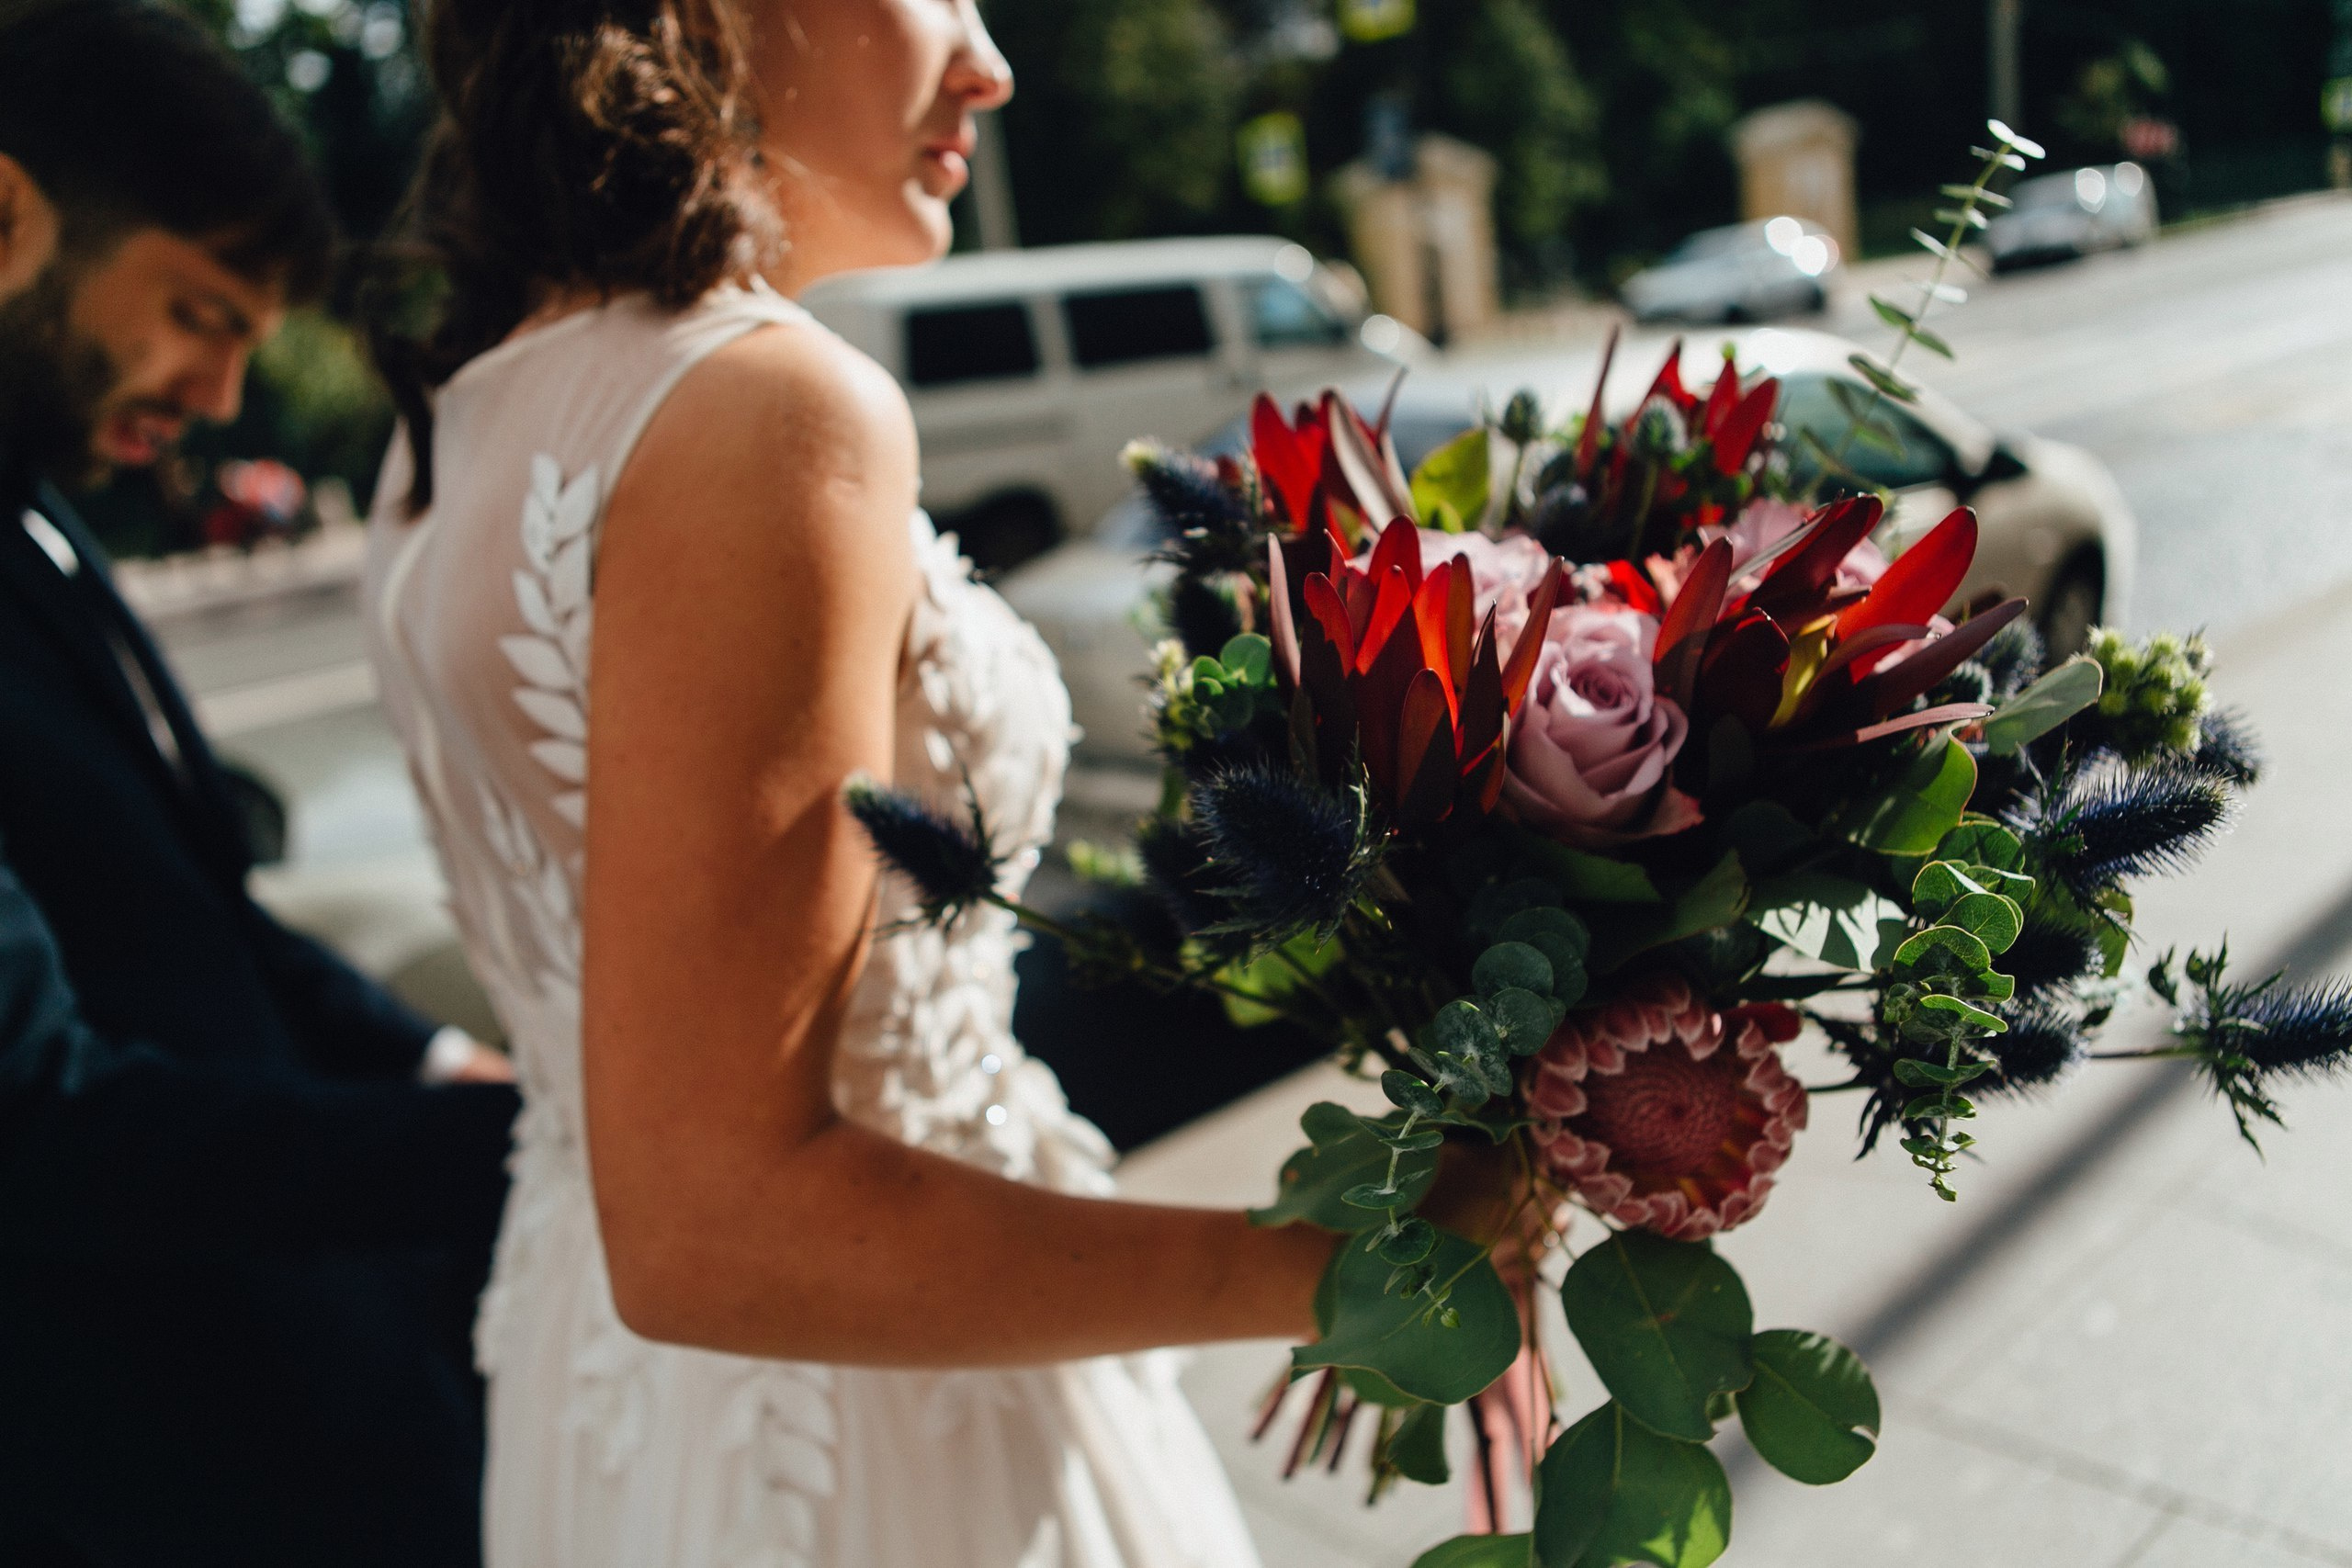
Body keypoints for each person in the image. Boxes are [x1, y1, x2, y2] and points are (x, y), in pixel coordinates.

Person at [366, 1, 1538, 1562]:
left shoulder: (451, 421)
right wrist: (1357, 1264)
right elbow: (718, 1222)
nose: (989, 61)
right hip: (871, 1449)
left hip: (604, 1406)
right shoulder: (761, 408)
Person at [0, 4, 519, 1563]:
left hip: (327, 1405)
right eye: (200, 312)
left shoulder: (38, 510)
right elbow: (41, 1118)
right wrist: (530, 1158)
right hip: (150, 1476)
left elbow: (192, 919)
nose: (224, 398)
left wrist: (441, 1064)